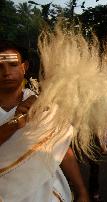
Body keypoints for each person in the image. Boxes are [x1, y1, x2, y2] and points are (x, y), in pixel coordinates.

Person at [0, 40, 89, 202]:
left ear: (24, 67)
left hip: (47, 193)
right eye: (0, 67)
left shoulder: (44, 105)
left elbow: (63, 150)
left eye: (13, 65)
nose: (6, 72)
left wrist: (82, 191)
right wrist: (16, 122)